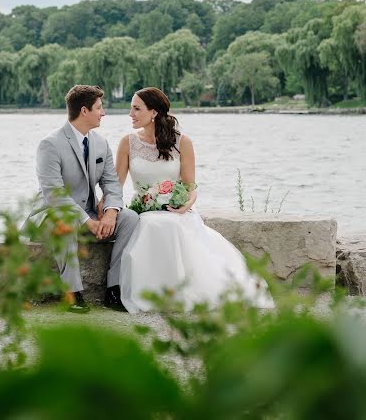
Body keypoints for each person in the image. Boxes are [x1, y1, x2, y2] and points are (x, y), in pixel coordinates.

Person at [116, 87, 274, 313]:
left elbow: (190, 187)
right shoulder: (127, 143)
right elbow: (116, 184)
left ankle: (179, 292)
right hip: (143, 210)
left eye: (136, 108)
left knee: (170, 223)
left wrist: (186, 206)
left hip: (176, 210)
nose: (130, 113)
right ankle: (152, 294)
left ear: (153, 112)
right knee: (152, 223)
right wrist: (109, 208)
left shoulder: (182, 143)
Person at [24, 85, 139, 312]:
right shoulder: (50, 144)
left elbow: (112, 184)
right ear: (84, 111)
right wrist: (88, 221)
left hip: (90, 214)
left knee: (131, 218)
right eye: (99, 108)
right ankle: (72, 293)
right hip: (51, 215)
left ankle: (113, 288)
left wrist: (110, 213)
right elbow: (54, 193)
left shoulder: (100, 143)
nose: (103, 113)